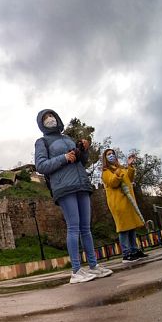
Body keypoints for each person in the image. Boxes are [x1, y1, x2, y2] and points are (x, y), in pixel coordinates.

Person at [34, 110, 113, 284]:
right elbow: (40, 166)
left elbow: (81, 161)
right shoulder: (42, 142)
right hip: (64, 187)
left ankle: (93, 266)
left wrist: (83, 150)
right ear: (41, 123)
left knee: (86, 228)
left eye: (52, 116)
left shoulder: (67, 138)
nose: (50, 119)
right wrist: (63, 157)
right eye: (46, 118)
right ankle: (76, 271)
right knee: (73, 227)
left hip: (81, 183)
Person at [101, 149, 148, 262]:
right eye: (108, 154)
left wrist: (130, 166)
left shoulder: (121, 168)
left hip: (128, 201)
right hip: (118, 203)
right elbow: (113, 183)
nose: (111, 155)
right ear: (105, 158)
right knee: (123, 228)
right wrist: (117, 172)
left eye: (112, 154)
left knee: (131, 227)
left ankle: (134, 250)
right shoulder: (106, 172)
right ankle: (126, 253)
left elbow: (129, 178)